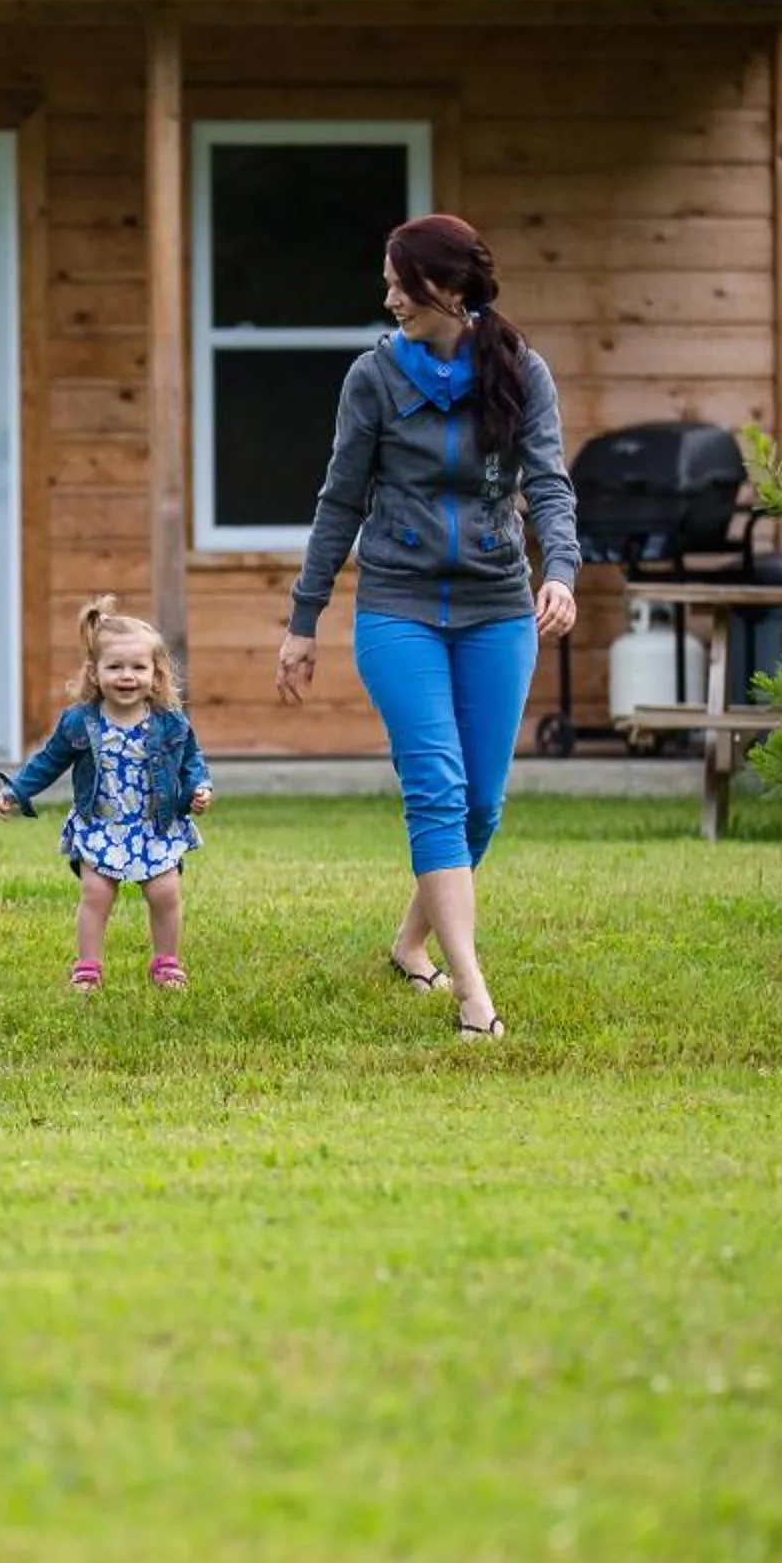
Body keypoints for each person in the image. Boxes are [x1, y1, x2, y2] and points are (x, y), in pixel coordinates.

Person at [274, 212, 580, 1041]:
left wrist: (560, 570)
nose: (387, 297)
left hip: (497, 610)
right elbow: (340, 502)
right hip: (398, 608)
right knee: (437, 788)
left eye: (399, 283)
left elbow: (548, 485)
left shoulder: (521, 370)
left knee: (482, 805)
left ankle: (412, 944)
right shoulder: (373, 379)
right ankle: (472, 994)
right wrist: (305, 620)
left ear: (446, 288)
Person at [0, 596, 215, 991]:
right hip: (102, 822)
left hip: (156, 824)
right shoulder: (80, 721)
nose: (126, 676)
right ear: (94, 674)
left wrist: (200, 787)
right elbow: (49, 760)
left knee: (166, 892)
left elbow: (191, 761)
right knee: (96, 893)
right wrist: (17, 790)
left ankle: (167, 964)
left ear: (156, 674)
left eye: (137, 667)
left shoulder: (170, 723)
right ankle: (88, 967)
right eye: (115, 667)